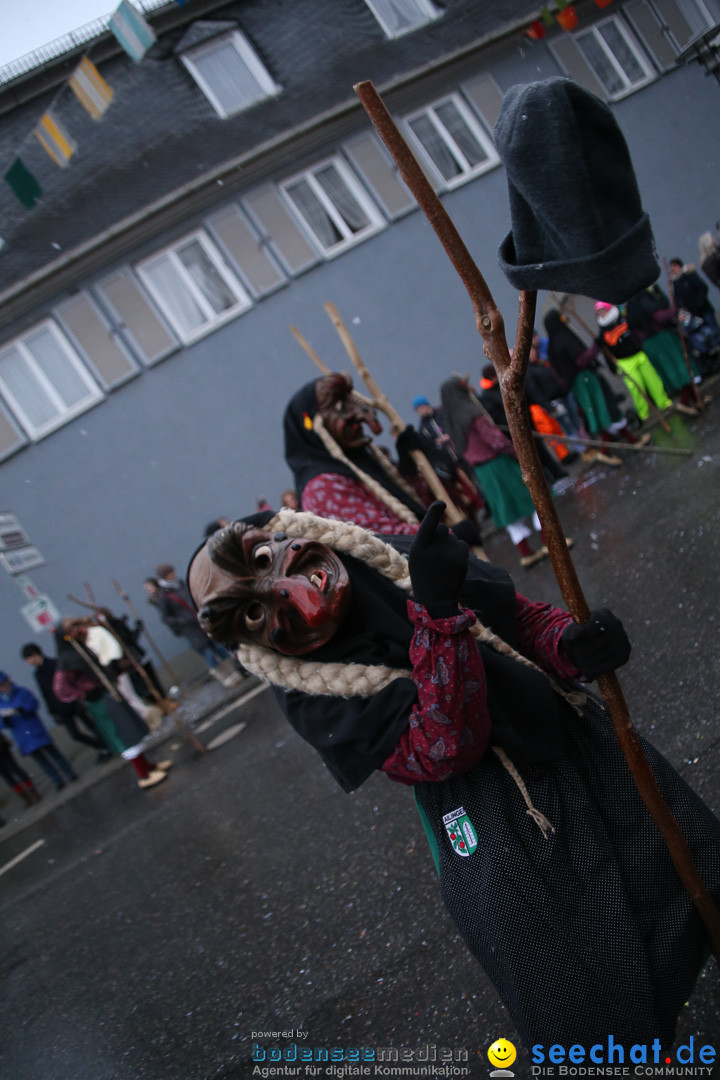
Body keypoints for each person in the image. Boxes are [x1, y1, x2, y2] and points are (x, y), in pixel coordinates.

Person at [186, 507, 720, 1048]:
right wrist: (435, 616)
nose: (286, 591)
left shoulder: (381, 560)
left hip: (580, 751)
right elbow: (441, 747)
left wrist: (570, 644)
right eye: (254, 612)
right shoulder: (311, 692)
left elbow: (511, 624)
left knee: (695, 871)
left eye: (261, 560)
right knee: (584, 994)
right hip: (501, 830)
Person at [284, 372, 429, 535]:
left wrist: (408, 465)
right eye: (339, 407)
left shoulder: (361, 465)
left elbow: (417, 508)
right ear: (314, 426)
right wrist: (446, 537)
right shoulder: (323, 488)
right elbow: (384, 541)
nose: (358, 416)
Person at [440, 374, 554, 567]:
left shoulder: (451, 422)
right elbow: (495, 440)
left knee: (507, 510)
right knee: (535, 497)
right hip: (499, 463)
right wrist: (516, 450)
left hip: (484, 472)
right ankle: (549, 543)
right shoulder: (471, 413)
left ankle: (526, 553)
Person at [53, 619, 171, 789]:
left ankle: (148, 766)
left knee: (131, 729)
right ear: (64, 636)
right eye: (72, 629)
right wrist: (83, 694)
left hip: (109, 692)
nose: (78, 630)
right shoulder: (67, 660)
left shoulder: (81, 649)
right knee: (123, 734)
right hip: (100, 701)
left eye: (77, 626)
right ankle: (143, 774)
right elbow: (61, 688)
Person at [544, 309, 640, 463]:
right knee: (603, 408)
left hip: (579, 383)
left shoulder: (552, 346)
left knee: (602, 409)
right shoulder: (564, 339)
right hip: (585, 379)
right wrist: (596, 346)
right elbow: (580, 360)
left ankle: (623, 441)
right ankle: (613, 447)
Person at [149, 565, 241, 686]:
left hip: (200, 621)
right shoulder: (163, 596)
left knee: (219, 646)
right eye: (170, 573)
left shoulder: (180, 584)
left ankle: (233, 673)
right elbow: (166, 617)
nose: (173, 575)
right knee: (208, 652)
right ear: (165, 576)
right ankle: (225, 677)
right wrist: (182, 621)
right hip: (190, 629)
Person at [21, 642, 112, 761]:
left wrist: (77, 697)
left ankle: (106, 746)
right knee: (75, 734)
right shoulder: (38, 674)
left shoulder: (56, 664)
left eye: (31, 657)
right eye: (28, 659)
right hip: (61, 708)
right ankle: (99, 745)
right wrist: (53, 711)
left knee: (91, 725)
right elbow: (46, 693)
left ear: (38, 654)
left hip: (73, 702)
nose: (31, 661)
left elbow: (69, 681)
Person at [593, 301, 674, 424]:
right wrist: (612, 367)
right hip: (624, 362)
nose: (601, 313)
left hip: (637, 354)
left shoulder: (622, 319)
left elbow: (635, 332)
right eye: (599, 312)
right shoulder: (603, 332)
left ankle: (664, 402)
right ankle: (644, 414)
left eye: (603, 310)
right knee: (636, 388)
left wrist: (640, 344)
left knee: (653, 380)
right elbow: (606, 352)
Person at [625, 285, 700, 413]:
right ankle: (684, 401)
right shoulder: (643, 301)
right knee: (680, 369)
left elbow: (634, 335)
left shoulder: (631, 309)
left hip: (649, 345)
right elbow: (659, 316)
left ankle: (696, 399)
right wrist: (674, 309)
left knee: (677, 370)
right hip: (660, 340)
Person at [0, 671, 78, 791]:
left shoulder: (21, 692)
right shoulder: (1, 702)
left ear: (8, 681)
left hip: (34, 729)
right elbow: (2, 724)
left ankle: (70, 773)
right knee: (42, 761)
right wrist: (5, 719)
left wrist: (22, 710)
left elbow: (33, 704)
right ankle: (57, 780)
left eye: (3, 684)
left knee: (54, 753)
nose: (3, 688)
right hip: (22, 736)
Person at [0, 729, 42, 807]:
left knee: (14, 770)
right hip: (2, 746)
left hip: (2, 748)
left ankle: (32, 794)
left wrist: (4, 738)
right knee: (7, 776)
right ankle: (27, 797)